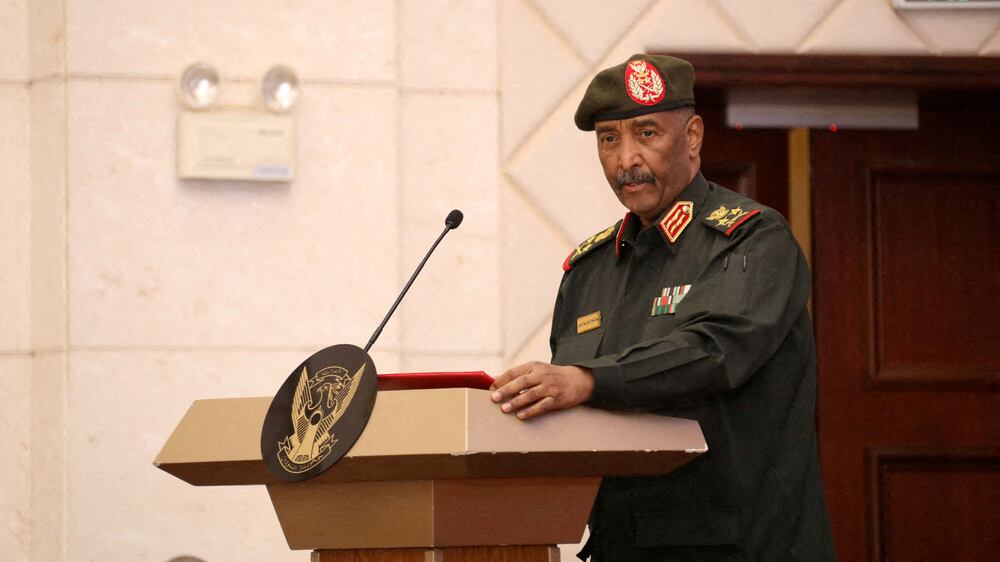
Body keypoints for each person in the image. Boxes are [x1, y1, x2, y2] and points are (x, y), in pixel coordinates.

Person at [490, 54, 836, 561]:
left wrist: (586, 379)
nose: (626, 158)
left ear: (692, 136)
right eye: (609, 139)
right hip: (623, 544)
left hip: (742, 545)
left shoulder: (752, 239)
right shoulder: (588, 271)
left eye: (646, 133)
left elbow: (714, 352)